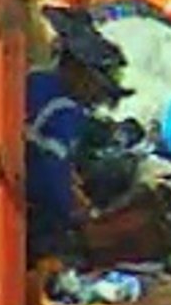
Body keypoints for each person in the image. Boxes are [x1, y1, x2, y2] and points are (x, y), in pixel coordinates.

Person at [25, 41, 130, 267]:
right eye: (95, 85)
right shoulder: (63, 108)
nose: (96, 97)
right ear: (76, 70)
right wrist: (74, 216)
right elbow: (49, 175)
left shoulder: (36, 79)